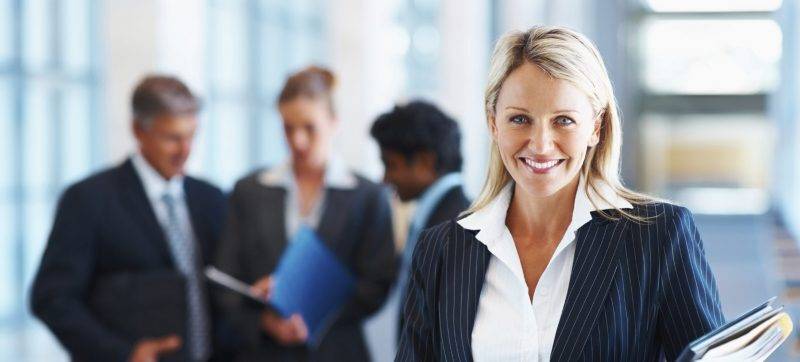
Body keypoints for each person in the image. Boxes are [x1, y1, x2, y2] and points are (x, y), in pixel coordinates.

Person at [396, 26, 725, 361]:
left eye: (563, 121)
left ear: (595, 127)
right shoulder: (441, 250)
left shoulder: (658, 236)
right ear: (493, 123)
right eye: (520, 119)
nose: (540, 145)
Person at [31, 75, 229, 361]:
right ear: (138, 130)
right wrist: (122, 354)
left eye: (191, 136)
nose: (185, 150)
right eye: (173, 138)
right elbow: (52, 298)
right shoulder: (89, 200)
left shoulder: (210, 198)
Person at [215, 65, 396, 361]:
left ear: (334, 123)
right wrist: (263, 319)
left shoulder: (367, 197)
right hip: (263, 351)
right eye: (288, 128)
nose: (297, 140)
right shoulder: (249, 190)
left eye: (309, 128)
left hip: (336, 350)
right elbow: (226, 278)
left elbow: (378, 282)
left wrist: (314, 305)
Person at [369, 100, 470, 339]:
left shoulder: (457, 227)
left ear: (426, 161)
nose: (384, 178)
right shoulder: (438, 218)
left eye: (390, 164)